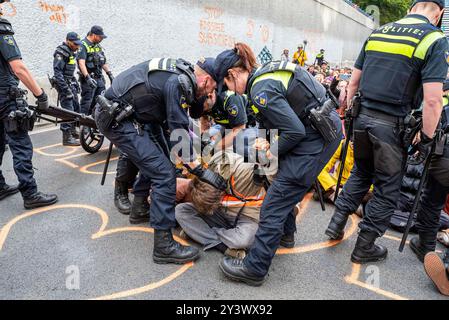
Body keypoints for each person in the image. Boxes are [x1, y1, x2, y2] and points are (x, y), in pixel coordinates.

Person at [325, 0, 448, 265]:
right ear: (439, 14)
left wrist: (347, 114)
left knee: (360, 172)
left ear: (411, 8)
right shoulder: (435, 39)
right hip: (391, 126)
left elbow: (353, 82)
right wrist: (426, 138)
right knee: (386, 188)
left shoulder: (380, 31)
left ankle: (335, 224)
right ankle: (364, 246)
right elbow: (433, 100)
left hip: (362, 118)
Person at [214, 43, 342, 286]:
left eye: (229, 87)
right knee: (275, 185)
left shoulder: (260, 88)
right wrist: (266, 148)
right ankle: (286, 234)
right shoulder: (263, 76)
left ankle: (254, 268)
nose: (233, 93)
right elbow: (280, 119)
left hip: (315, 139)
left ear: (233, 74)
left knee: (273, 204)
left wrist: (270, 153)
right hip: (317, 131)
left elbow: (293, 132)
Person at [94, 57, 225, 265]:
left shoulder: (182, 75)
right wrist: (201, 171)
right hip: (117, 118)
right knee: (164, 174)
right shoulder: (180, 83)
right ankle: (164, 246)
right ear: (207, 81)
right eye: (212, 90)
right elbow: (180, 133)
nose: (208, 95)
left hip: (135, 116)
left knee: (163, 163)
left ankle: (139, 208)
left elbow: (176, 129)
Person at [0, 0, 58, 209]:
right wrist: (40, 94)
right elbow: (18, 68)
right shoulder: (2, 29)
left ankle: (0, 185)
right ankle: (30, 193)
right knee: (21, 146)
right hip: (6, 98)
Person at [176, 150, 269, 259]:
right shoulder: (208, 175)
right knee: (181, 210)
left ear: (220, 190)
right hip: (223, 213)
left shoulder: (245, 173)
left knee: (245, 240)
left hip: (248, 218)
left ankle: (198, 234)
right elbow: (197, 187)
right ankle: (222, 246)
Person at [52, 32, 82, 146]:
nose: (77, 46)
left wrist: (75, 82)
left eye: (78, 44)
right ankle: (66, 137)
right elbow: (58, 72)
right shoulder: (61, 52)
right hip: (63, 84)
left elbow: (69, 70)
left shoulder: (71, 52)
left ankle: (73, 131)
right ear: (68, 41)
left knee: (76, 107)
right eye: (75, 44)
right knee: (67, 111)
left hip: (70, 83)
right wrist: (65, 89)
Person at [78, 26, 113, 115]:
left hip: (99, 79)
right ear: (93, 35)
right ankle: (84, 125)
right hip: (89, 80)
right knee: (87, 103)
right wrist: (87, 78)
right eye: (100, 37)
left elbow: (103, 61)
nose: (102, 39)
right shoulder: (83, 45)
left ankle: (95, 123)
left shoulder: (97, 46)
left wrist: (109, 74)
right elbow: (81, 63)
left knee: (101, 101)